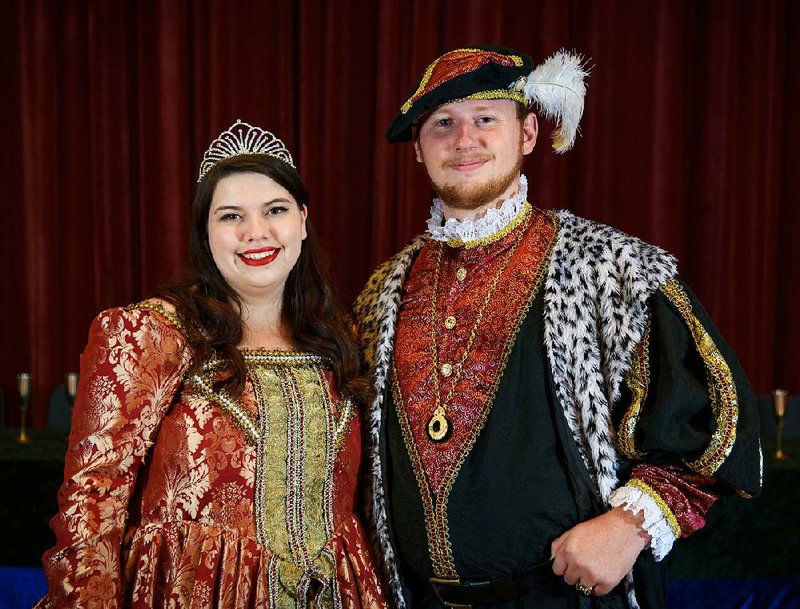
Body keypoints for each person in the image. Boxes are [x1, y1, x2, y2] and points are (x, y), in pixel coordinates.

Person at [353, 46, 762, 609]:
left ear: (527, 134)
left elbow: (710, 416)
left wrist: (629, 525)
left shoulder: (611, 269)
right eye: (442, 123)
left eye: (485, 119)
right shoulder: (383, 294)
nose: (463, 139)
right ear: (419, 151)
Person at [38, 120, 388, 608]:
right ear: (206, 233)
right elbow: (91, 501)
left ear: (303, 221)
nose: (255, 232)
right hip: (195, 590)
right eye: (230, 216)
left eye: (275, 210)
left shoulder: (341, 337)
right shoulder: (153, 333)